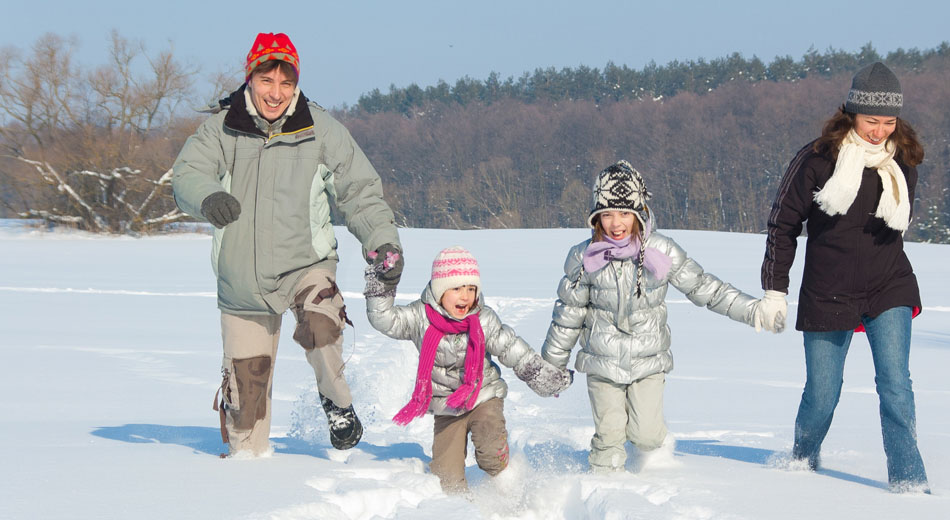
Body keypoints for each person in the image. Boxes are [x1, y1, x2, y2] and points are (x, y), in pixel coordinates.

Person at [171, 32, 404, 457]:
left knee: (321, 322)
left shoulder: (321, 129)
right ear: (250, 79)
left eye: (286, 82)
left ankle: (337, 404)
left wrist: (382, 241)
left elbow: (360, 192)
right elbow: (187, 174)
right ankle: (250, 474)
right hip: (241, 277)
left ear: (296, 84)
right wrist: (208, 197)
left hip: (306, 265)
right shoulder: (221, 129)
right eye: (266, 81)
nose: (275, 93)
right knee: (246, 402)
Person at [758, 62, 930, 492]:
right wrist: (775, 290)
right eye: (871, 121)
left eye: (888, 121)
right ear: (852, 113)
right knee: (822, 394)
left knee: (896, 387)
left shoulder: (902, 159)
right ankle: (801, 464)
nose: (879, 131)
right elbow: (783, 225)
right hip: (828, 291)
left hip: (888, 284)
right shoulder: (817, 159)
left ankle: (910, 483)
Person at [541, 160, 771, 473]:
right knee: (609, 436)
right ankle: (603, 489)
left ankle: (652, 463)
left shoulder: (660, 251)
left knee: (646, 436)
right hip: (602, 360)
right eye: (606, 214)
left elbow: (705, 287)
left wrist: (752, 310)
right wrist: (551, 366)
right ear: (596, 217)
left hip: (648, 360)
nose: (616, 223)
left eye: (624, 213)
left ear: (638, 213)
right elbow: (567, 315)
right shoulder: (585, 257)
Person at [364, 246, 572, 493]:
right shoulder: (420, 318)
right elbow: (383, 319)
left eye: (471, 288)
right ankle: (459, 511)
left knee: (490, 452)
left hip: (483, 395)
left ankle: (507, 475)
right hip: (446, 405)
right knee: (446, 480)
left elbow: (512, 349)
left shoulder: (483, 319)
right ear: (440, 289)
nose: (465, 296)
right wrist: (380, 280)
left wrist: (543, 377)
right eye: (456, 288)